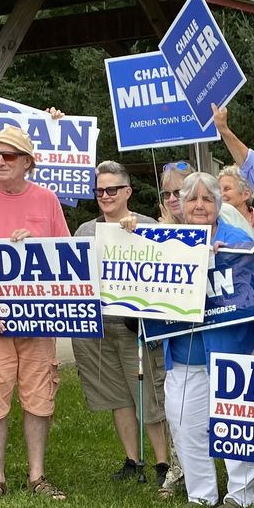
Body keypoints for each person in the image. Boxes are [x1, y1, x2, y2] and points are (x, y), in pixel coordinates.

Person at [123, 172, 254, 508]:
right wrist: (128, 233)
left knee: (236, 423)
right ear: (181, 205)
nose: (200, 205)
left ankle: (241, 495)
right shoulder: (165, 241)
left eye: (208, 199)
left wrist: (225, 260)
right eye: (192, 199)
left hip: (232, 349)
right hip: (185, 354)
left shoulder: (238, 239)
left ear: (218, 204)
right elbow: (131, 257)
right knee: (185, 425)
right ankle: (200, 494)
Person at [0, 126, 71, 505]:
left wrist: (38, 248)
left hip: (38, 318)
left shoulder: (47, 201)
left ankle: (37, 475)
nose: (0, 162)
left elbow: (67, 256)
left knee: (39, 396)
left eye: (8, 156)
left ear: (27, 163)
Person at [73, 161, 171, 488]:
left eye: (112, 189)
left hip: (136, 327)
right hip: (98, 327)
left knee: (149, 397)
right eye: (99, 190)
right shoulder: (85, 231)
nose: (105, 195)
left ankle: (163, 462)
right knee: (117, 396)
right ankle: (133, 460)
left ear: (127, 191)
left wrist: (139, 236)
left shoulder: (147, 226)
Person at [218, 165, 254, 238]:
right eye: (218, 190)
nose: (220, 194)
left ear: (246, 194)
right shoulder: (215, 223)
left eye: (227, 189)